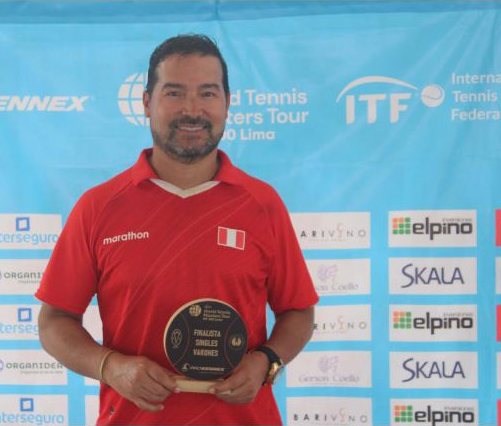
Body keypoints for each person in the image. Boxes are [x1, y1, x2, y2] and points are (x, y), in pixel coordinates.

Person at [36, 34, 318, 425]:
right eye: (174, 93)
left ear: (227, 103)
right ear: (146, 103)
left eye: (207, 93)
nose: (192, 109)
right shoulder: (99, 207)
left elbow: (299, 312)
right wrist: (110, 366)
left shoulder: (261, 203)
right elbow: (54, 321)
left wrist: (267, 362)